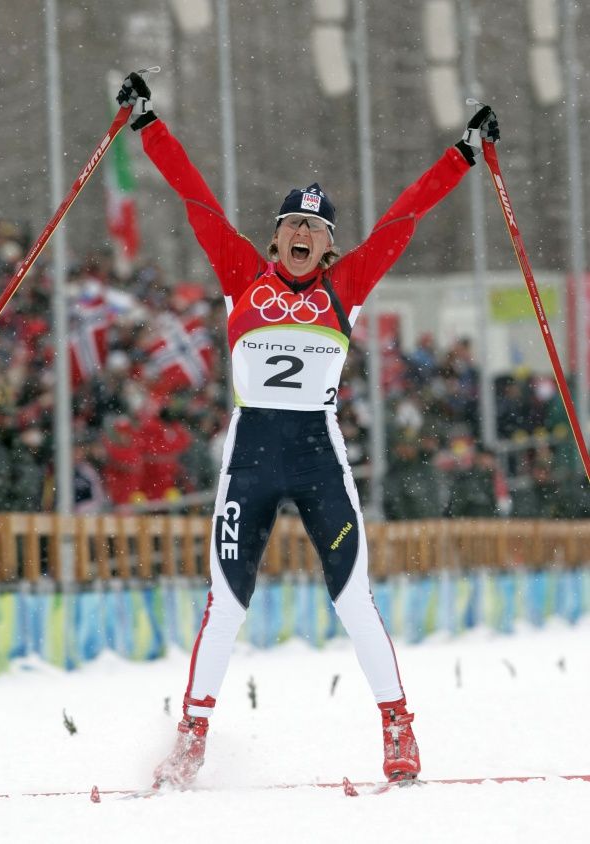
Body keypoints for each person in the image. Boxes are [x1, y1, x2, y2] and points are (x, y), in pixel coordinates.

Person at [117, 71, 499, 789]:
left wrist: (463, 154)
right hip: (252, 452)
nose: (301, 234)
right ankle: (192, 738)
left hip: (318, 454)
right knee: (225, 600)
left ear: (327, 249)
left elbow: (402, 221)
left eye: (315, 230)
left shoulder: (343, 287)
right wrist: (147, 124)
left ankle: (398, 728)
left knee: (354, 596)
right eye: (292, 223)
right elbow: (196, 200)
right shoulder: (241, 275)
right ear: (274, 237)